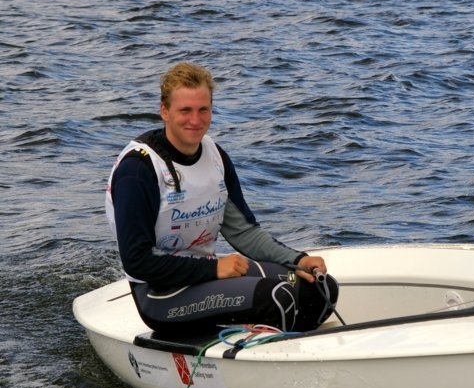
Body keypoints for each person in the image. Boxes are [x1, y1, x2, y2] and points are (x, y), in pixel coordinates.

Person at [105, 62, 337, 335]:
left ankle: (290, 344)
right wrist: (214, 269)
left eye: (203, 109)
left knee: (320, 289)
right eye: (185, 110)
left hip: (207, 274)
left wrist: (297, 260)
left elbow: (244, 233)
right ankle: (264, 348)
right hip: (159, 293)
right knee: (275, 297)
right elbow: (138, 261)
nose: (195, 120)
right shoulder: (138, 170)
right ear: (164, 111)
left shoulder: (215, 156)